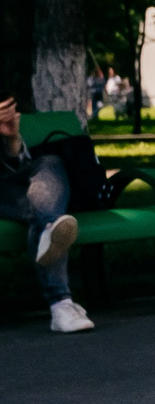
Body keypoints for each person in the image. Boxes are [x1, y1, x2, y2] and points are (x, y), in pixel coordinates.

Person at [0, 98, 92, 332]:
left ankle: (49, 228)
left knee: (50, 162)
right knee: (43, 209)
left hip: (11, 189)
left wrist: (11, 138)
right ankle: (61, 304)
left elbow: (14, 168)